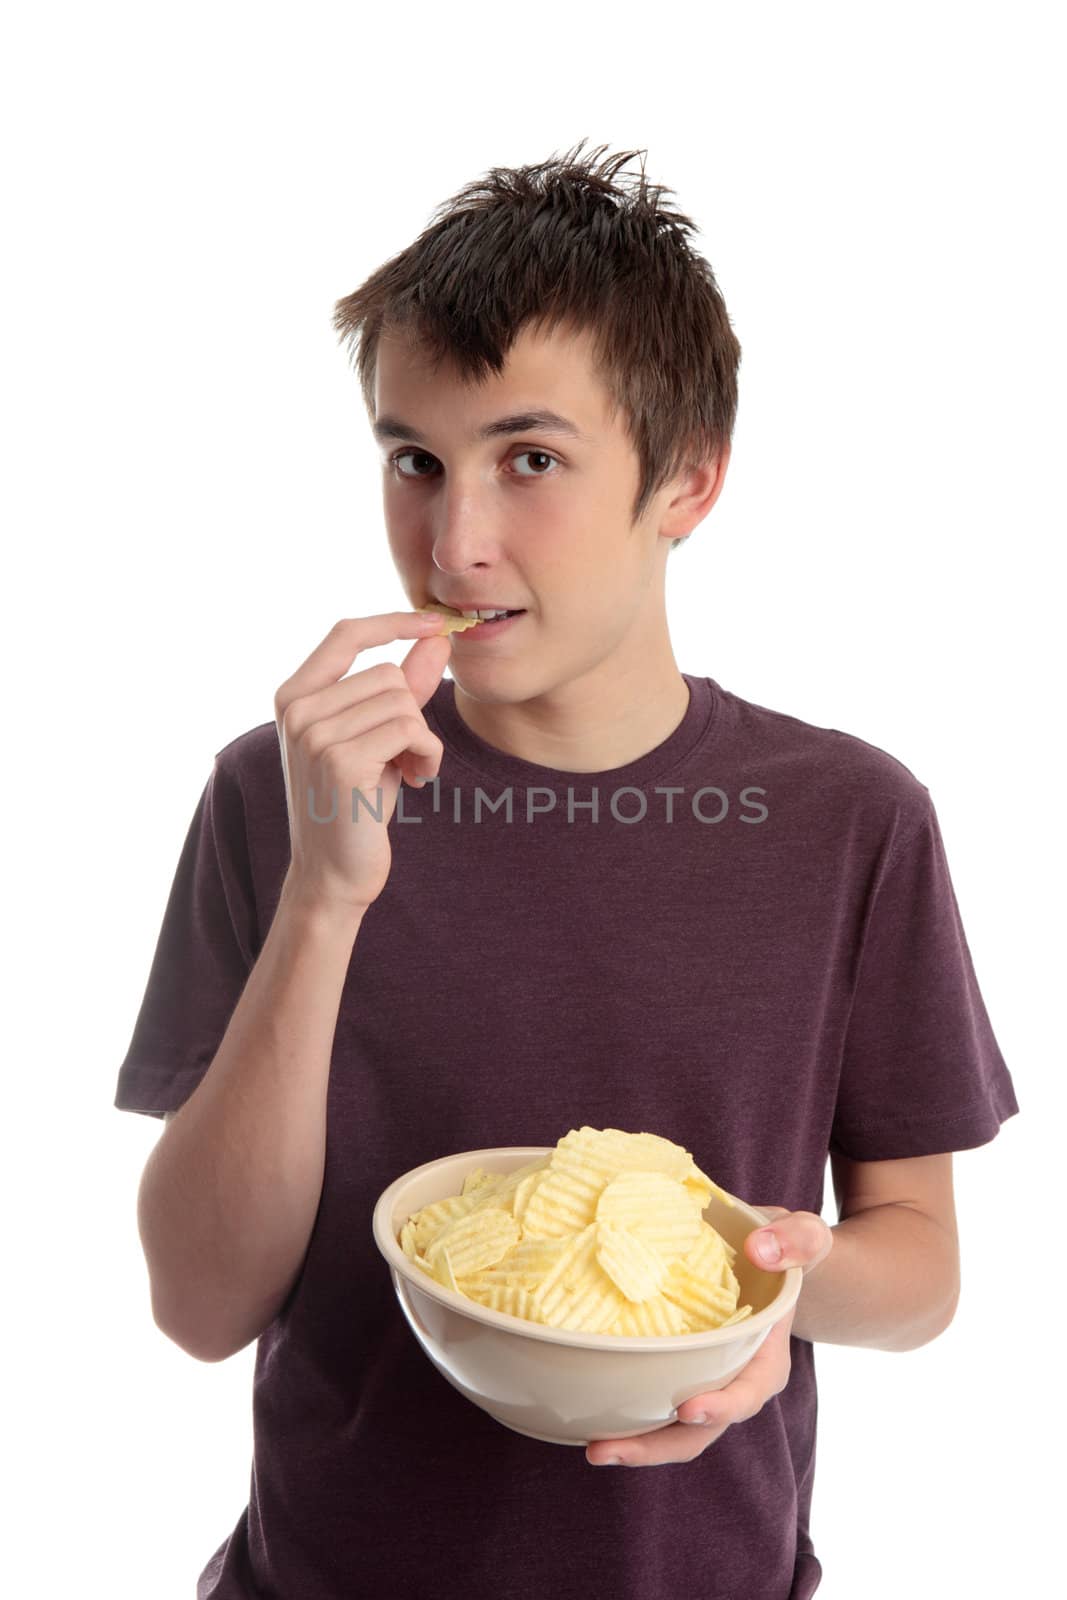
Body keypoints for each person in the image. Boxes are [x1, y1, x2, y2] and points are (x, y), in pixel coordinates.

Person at [114, 139, 1019, 1600]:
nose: (454, 542)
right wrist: (327, 893)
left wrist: (771, 1289)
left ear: (690, 481)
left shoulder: (851, 819)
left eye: (529, 460)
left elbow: (920, 1275)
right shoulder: (278, 793)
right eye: (415, 460)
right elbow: (200, 1306)